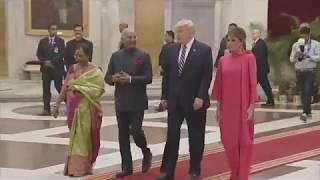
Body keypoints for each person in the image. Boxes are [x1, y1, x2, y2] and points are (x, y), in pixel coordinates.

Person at [157, 19, 213, 180]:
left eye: (181, 31)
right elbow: (166, 76)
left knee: (195, 136)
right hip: (174, 101)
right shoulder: (170, 50)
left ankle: (194, 170)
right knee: (172, 136)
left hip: (195, 101)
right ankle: (167, 171)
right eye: (177, 31)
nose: (178, 35)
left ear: (190, 32)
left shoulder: (203, 50)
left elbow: (206, 75)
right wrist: (164, 97)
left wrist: (201, 96)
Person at [52, 43, 105, 177]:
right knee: (75, 137)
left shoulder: (95, 71)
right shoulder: (72, 69)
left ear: (88, 55)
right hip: (72, 107)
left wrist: (80, 89)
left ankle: (81, 167)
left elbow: (98, 90)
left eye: (80, 55)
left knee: (84, 138)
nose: (77, 57)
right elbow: (65, 86)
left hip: (87, 109)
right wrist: (57, 104)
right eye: (76, 55)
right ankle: (74, 166)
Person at [212, 27, 258, 180]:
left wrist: (251, 106)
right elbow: (219, 86)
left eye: (233, 40)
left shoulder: (249, 58)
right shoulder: (223, 61)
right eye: (228, 40)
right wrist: (218, 108)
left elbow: (252, 84)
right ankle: (234, 171)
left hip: (244, 107)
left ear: (241, 41)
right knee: (229, 142)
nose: (230, 43)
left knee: (244, 143)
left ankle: (242, 175)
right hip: (227, 109)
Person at [105, 31, 153, 178]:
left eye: (134, 37)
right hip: (121, 101)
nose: (132, 40)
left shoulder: (144, 56)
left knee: (136, 130)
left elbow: (148, 78)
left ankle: (146, 151)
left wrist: (131, 79)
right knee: (123, 135)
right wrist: (112, 78)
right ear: (123, 40)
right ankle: (127, 167)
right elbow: (107, 77)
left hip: (137, 101)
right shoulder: (115, 56)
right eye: (129, 38)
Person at [290, 26, 320, 121]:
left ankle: (304, 112)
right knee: (303, 92)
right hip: (299, 71)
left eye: (305, 36)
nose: (304, 38)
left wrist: (309, 56)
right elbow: (291, 59)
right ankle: (308, 111)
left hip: (309, 71)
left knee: (307, 91)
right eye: (302, 36)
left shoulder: (315, 44)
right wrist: (296, 56)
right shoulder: (296, 45)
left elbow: (319, 57)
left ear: (309, 35)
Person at [36, 24, 65, 116]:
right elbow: (39, 54)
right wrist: (45, 62)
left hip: (56, 68)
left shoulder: (60, 41)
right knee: (46, 89)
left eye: (56, 29)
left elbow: (62, 54)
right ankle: (46, 109)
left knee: (59, 87)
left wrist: (51, 61)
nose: (54, 31)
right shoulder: (42, 41)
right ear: (48, 30)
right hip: (46, 69)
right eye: (52, 29)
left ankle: (70, 105)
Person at [252, 29, 275, 106]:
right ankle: (270, 100)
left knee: (264, 85)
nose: (253, 35)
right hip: (259, 69)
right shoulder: (258, 43)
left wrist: (252, 57)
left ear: (258, 34)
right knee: (262, 85)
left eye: (254, 33)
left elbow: (260, 56)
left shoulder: (260, 44)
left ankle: (270, 100)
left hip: (260, 69)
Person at [156, 30, 175, 112]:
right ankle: (164, 103)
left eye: (166, 35)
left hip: (169, 72)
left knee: (167, 87)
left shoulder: (172, 47)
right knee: (165, 87)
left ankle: (165, 103)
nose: (165, 37)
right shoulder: (166, 46)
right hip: (167, 71)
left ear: (171, 36)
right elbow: (161, 57)